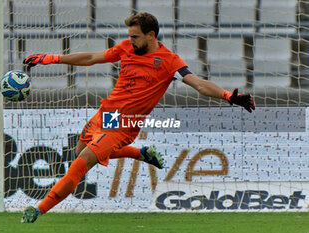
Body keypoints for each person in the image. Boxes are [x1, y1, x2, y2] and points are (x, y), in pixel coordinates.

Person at [21, 12, 255, 223]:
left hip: (123, 126)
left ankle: (38, 209)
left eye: (135, 36)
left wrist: (227, 96)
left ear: (151, 35)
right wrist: (52, 58)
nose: (131, 41)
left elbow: (199, 84)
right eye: (130, 36)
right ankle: (140, 153)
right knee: (78, 151)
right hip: (107, 114)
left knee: (80, 164)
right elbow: (92, 57)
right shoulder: (125, 48)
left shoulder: (169, 61)